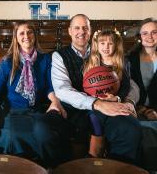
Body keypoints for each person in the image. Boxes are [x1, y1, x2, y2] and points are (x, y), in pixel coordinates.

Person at [0, 20, 70, 167]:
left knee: (44, 134)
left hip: (36, 110)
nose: (26, 35)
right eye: (21, 33)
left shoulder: (45, 59)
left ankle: (46, 167)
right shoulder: (8, 62)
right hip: (13, 112)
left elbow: (50, 88)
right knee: (12, 135)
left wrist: (55, 101)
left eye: (29, 32)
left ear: (34, 35)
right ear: (16, 38)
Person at [51, 14, 141, 165]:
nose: (81, 32)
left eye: (85, 28)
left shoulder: (109, 57)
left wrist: (123, 100)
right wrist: (97, 103)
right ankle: (87, 159)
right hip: (80, 107)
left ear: (91, 31)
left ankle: (118, 166)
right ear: (70, 31)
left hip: (110, 103)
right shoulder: (60, 56)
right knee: (83, 125)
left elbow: (129, 84)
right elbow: (62, 90)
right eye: (77, 28)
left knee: (130, 129)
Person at [83, 29, 136, 157]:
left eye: (110, 43)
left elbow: (126, 86)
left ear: (116, 45)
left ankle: (115, 155)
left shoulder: (123, 62)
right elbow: (85, 87)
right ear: (97, 45)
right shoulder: (90, 62)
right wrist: (95, 97)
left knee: (126, 123)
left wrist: (117, 97)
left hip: (116, 101)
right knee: (93, 116)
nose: (106, 47)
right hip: (97, 103)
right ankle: (96, 148)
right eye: (102, 43)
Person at [127, 18, 157, 170]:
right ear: (140, 36)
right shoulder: (130, 60)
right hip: (137, 110)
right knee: (146, 133)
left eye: (154, 32)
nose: (149, 36)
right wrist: (145, 110)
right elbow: (127, 91)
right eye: (145, 33)